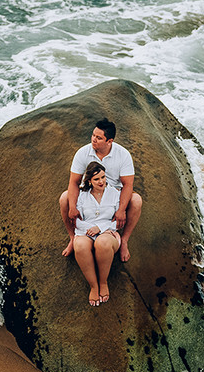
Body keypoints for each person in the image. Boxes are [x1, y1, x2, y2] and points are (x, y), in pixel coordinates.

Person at [59, 117, 143, 262]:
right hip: (89, 189)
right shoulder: (83, 152)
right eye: (93, 135)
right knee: (64, 198)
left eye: (99, 137)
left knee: (136, 200)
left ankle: (124, 241)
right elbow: (74, 182)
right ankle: (73, 238)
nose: (93, 140)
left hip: (114, 191)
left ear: (109, 141)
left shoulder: (123, 155)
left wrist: (122, 209)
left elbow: (128, 184)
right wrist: (72, 206)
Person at [70, 161, 120, 306]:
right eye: (96, 179)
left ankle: (103, 282)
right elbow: (77, 221)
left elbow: (119, 221)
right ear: (89, 181)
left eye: (103, 177)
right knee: (79, 245)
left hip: (108, 233)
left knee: (102, 243)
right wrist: (91, 229)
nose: (101, 181)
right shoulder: (81, 195)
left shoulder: (115, 194)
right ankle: (94, 286)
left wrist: (100, 227)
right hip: (85, 232)